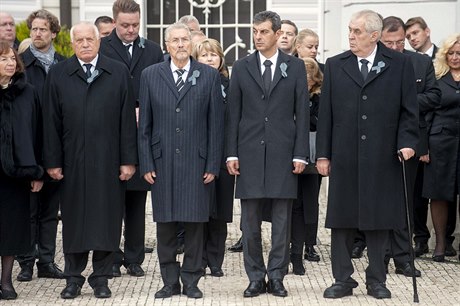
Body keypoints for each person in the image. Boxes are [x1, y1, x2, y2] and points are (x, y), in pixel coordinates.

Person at [317, 10, 419, 300]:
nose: (351, 35)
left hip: (383, 154)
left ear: (375, 36)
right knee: (341, 219)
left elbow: (409, 111)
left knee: (379, 219)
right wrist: (323, 154)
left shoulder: (399, 64)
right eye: (350, 30)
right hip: (345, 153)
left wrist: (408, 142)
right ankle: (342, 279)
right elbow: (326, 114)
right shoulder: (337, 65)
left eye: (357, 31)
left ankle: (376, 279)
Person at [42, 21, 137, 299]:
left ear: (99, 42)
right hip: (72, 162)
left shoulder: (118, 72)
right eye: (79, 40)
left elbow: (126, 122)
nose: (85, 44)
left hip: (109, 161)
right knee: (74, 220)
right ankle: (73, 278)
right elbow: (50, 122)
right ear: (71, 44)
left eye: (89, 40)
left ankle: (101, 278)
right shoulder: (59, 74)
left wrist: (128, 160)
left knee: (107, 219)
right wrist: (53, 161)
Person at [226, 10, 309, 298]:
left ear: (277, 34)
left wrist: (301, 154)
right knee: (249, 222)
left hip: (283, 154)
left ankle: (276, 276)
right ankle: (254, 277)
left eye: (263, 32)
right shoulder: (241, 66)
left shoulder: (295, 68)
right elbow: (232, 114)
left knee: (282, 222)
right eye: (255, 31)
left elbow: (302, 111)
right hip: (248, 154)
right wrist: (230, 153)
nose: (258, 36)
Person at [138, 22, 223, 299]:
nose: (180, 45)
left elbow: (215, 125)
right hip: (161, 164)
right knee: (165, 225)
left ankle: (191, 281)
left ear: (191, 43)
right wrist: (147, 162)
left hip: (197, 164)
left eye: (184, 40)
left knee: (196, 224)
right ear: (166, 45)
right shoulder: (151, 75)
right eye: (174, 40)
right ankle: (169, 281)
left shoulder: (208, 76)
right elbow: (145, 127)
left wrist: (212, 164)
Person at [99, 0, 164, 278]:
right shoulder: (102, 48)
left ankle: (134, 258)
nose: (131, 30)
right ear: (114, 22)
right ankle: (111, 257)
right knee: (112, 201)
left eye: (135, 25)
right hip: (110, 134)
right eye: (125, 25)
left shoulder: (152, 49)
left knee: (138, 200)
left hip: (142, 134)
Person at [380, 15, 441, 277]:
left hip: (410, 140)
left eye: (399, 41)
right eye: (389, 42)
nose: (395, 47)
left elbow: (434, 96)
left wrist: (405, 101)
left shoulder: (420, 62)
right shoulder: (373, 63)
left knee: (406, 201)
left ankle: (404, 258)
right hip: (379, 141)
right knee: (381, 200)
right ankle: (380, 255)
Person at [16, 9, 66, 283]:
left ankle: (47, 261)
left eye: (43, 29)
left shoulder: (64, 64)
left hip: (57, 150)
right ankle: (26, 262)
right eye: (34, 29)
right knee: (29, 211)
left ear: (53, 33)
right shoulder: (21, 65)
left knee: (50, 212)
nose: (37, 34)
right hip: (31, 150)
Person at [0, 41, 44, 300]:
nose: (10, 63)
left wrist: (36, 171)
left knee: (12, 229)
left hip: (17, 173)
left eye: (12, 58)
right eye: (3, 58)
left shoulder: (27, 91)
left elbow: (37, 132)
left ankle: (6, 282)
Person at [192, 38, 234, 278]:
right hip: (199, 156)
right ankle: (198, 259)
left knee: (220, 212)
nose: (209, 59)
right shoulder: (192, 83)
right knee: (200, 211)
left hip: (224, 157)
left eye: (213, 55)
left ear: (220, 59)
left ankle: (215, 260)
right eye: (204, 55)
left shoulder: (229, 85)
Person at [422, 33, 460, 262]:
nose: (455, 57)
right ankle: (440, 245)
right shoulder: (437, 77)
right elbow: (426, 113)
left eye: (459, 53)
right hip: (440, 142)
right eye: (451, 53)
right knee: (438, 194)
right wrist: (423, 146)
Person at [290, 57, 322, 275]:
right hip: (287, 156)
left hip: (310, 158)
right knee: (288, 207)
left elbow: (317, 122)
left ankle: (304, 249)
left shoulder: (319, 98)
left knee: (307, 206)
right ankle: (287, 254)